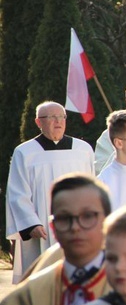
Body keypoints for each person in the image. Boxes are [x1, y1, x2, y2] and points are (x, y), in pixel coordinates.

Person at [0, 174, 110, 305]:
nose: (76, 227)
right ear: (53, 227)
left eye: (88, 216)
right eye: (65, 218)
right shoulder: (27, 299)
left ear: (107, 222)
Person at [5, 101, 95, 283]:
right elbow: (17, 192)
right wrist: (31, 224)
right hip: (42, 226)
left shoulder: (83, 150)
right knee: (42, 278)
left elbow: (92, 185)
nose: (58, 121)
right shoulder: (25, 152)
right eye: (51, 117)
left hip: (78, 222)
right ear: (38, 122)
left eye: (61, 116)